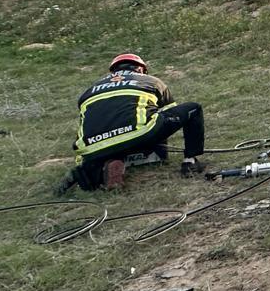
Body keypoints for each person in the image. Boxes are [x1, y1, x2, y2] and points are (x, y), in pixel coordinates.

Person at [65, 53, 205, 191]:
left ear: (113, 71)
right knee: (193, 109)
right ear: (140, 69)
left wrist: (83, 161)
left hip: (92, 146)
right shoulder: (151, 81)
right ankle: (190, 161)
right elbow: (168, 110)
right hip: (138, 133)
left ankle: (110, 162)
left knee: (114, 143)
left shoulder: (88, 91)